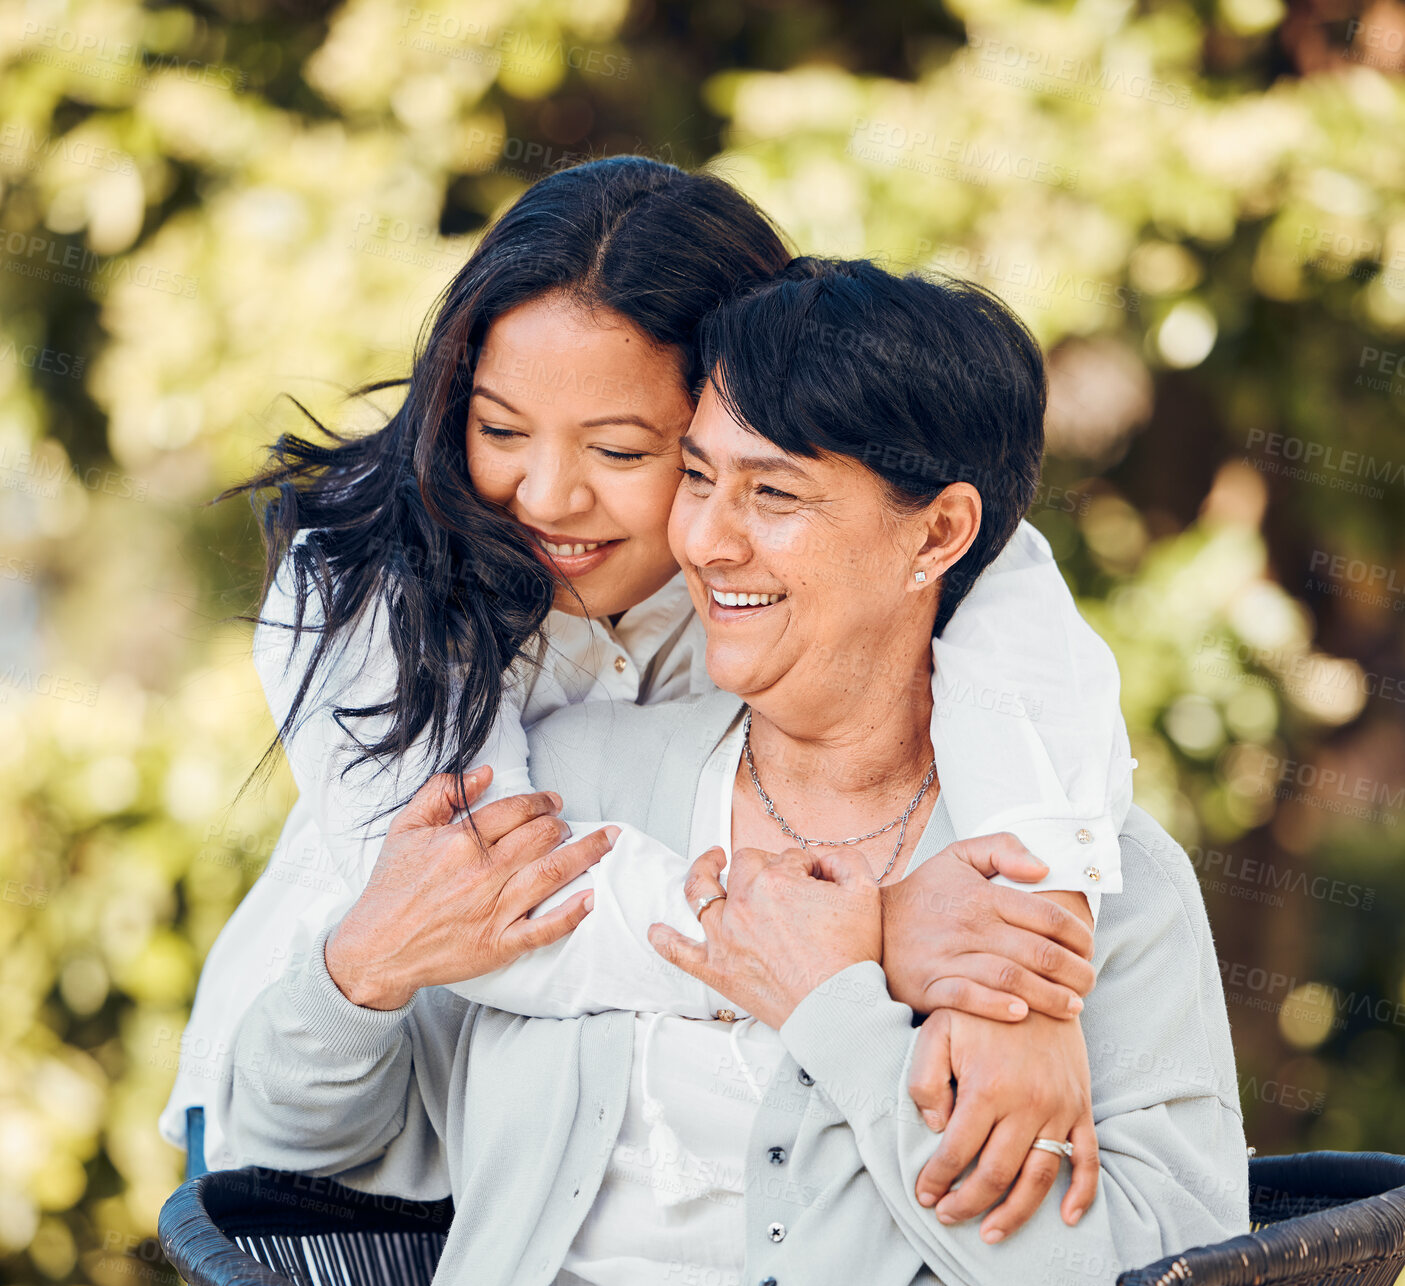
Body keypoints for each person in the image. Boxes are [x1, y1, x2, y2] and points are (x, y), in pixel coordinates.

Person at [222, 258, 1248, 1286]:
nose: (705, 539)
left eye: (773, 496)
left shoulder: (1074, 886)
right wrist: (356, 975)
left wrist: (841, 1014)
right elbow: (292, 1161)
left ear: (941, 532)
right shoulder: (566, 787)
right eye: (696, 475)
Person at [165, 156, 1126, 1203]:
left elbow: (1021, 614)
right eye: (497, 430)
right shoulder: (365, 582)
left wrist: (1022, 976)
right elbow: (482, 901)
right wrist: (872, 936)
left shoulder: (762, 555)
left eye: (621, 450)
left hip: (589, 1125)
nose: (545, 494)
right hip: (337, 1097)